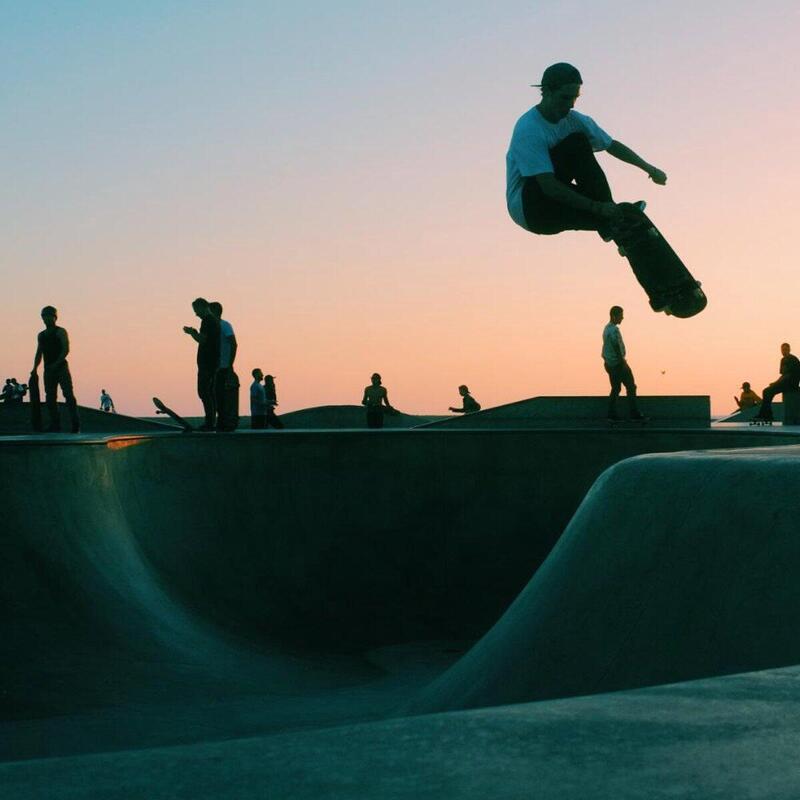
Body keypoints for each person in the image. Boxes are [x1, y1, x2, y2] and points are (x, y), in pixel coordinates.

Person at [506, 62, 667, 247]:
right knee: (576, 143)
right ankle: (611, 221)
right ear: (546, 92)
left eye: (574, 98)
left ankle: (611, 223)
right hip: (532, 208)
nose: (570, 106)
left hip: (555, 197)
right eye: (564, 98)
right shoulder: (528, 130)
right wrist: (598, 207)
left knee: (579, 140)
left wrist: (649, 169)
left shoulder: (575, 120)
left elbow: (611, 145)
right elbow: (549, 187)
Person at [31, 305, 81, 433]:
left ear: (55, 317)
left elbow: (66, 349)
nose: (46, 319)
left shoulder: (60, 331)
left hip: (61, 368)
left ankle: (75, 424)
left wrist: (56, 363)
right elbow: (39, 353)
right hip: (48, 370)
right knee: (50, 398)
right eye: (44, 317)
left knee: (68, 395)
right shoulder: (41, 335)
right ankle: (55, 424)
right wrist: (34, 368)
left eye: (49, 316)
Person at [182, 297, 220, 431]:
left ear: (203, 307)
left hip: (207, 364)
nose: (196, 314)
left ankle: (210, 422)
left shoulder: (208, 321)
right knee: (208, 392)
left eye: (196, 310)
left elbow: (203, 340)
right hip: (211, 363)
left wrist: (192, 333)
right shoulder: (213, 321)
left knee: (204, 392)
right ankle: (211, 421)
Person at [602, 306, 644, 421]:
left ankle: (611, 414)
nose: (622, 318)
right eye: (621, 315)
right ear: (614, 316)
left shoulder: (606, 329)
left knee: (616, 388)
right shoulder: (613, 330)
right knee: (631, 386)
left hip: (610, 363)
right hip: (618, 364)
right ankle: (634, 414)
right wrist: (622, 362)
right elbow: (616, 346)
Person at [209, 301, 238, 431]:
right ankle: (217, 422)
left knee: (222, 396)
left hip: (224, 367)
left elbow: (234, 343)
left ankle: (225, 423)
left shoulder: (225, 325)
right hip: (215, 367)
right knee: (214, 395)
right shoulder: (212, 327)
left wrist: (230, 364)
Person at [752, 344, 800, 423]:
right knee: (767, 391)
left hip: (791, 384)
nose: (784, 351)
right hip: (785, 383)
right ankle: (767, 415)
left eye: (785, 349)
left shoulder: (792, 359)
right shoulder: (783, 360)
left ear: (789, 350)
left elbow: (788, 375)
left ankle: (766, 415)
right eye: (782, 350)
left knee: (767, 391)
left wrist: (776, 383)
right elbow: (783, 375)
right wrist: (775, 383)